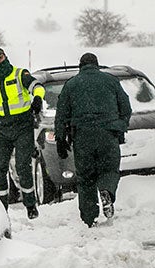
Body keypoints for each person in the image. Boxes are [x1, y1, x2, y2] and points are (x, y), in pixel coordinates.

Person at [53, 53, 131, 227]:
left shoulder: (71, 84)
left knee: (86, 177)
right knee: (109, 170)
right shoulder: (111, 80)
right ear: (97, 65)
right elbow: (126, 107)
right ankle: (107, 191)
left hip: (82, 137)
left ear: (80, 66)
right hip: (108, 134)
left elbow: (61, 115)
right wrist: (120, 126)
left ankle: (90, 218)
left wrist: (60, 139)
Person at [0, 47, 46, 219]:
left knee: (23, 166)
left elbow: (37, 86)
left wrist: (37, 99)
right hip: (2, 130)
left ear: (5, 57)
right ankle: (2, 210)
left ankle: (30, 205)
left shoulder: (19, 74)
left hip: (23, 127)